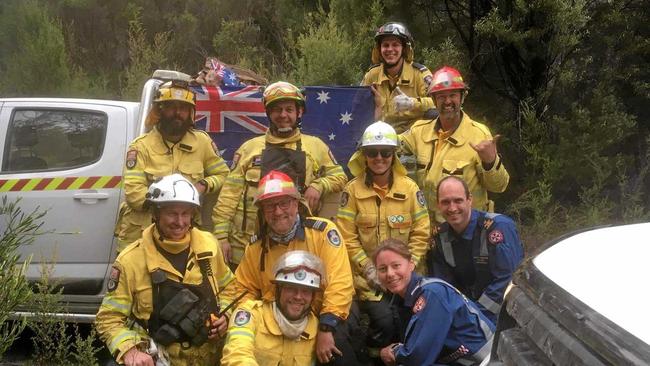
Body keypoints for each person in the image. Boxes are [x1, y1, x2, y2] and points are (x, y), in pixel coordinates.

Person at [96, 174, 237, 366]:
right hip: (160, 359)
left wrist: (226, 317)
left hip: (210, 358)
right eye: (172, 213)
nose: (180, 222)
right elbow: (109, 318)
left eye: (185, 213)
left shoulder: (209, 245)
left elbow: (231, 288)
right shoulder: (130, 261)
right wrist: (130, 350)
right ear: (155, 213)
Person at [212, 81, 347, 267]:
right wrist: (220, 237)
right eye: (277, 109)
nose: (283, 115)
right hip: (246, 246)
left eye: (289, 109)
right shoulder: (249, 149)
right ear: (268, 113)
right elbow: (228, 196)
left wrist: (319, 185)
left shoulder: (316, 146)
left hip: (299, 246)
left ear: (299, 112)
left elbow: (340, 176)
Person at [235, 170, 363, 365]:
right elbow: (244, 291)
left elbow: (340, 283)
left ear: (296, 203)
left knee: (338, 354)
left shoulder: (323, 233)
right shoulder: (255, 248)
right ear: (262, 211)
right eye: (270, 206)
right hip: (279, 317)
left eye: (284, 203)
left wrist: (326, 328)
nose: (278, 212)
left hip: (327, 313)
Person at [336, 121, 429, 357]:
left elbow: (421, 233)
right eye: (372, 152)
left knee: (414, 322)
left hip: (407, 279)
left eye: (385, 152)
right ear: (364, 156)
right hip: (368, 283)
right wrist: (369, 269)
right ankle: (374, 357)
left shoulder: (410, 189)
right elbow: (346, 237)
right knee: (386, 321)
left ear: (393, 155)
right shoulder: (352, 191)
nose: (379, 158)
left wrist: (408, 268)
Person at [117, 80, 229, 252]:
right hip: (141, 239)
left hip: (184, 236)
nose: (178, 113)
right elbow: (134, 193)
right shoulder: (140, 147)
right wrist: (170, 208)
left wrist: (203, 185)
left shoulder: (202, 142)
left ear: (190, 113)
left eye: (183, 108)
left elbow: (224, 175)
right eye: (171, 107)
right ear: (159, 110)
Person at [400, 66, 510, 224]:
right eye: (441, 97)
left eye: (452, 95)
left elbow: (499, 187)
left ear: (462, 97)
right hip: (430, 232)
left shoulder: (479, 134)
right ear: (434, 100)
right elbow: (388, 145)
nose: (447, 101)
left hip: (468, 231)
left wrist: (490, 162)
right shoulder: (419, 132)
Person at [373, 239, 494, 366]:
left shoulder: (432, 293)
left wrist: (393, 351)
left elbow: (417, 357)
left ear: (411, 264)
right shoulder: (402, 301)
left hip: (484, 361)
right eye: (382, 269)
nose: (390, 274)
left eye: (396, 265)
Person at [428, 176, 524, 323]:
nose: (452, 208)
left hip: (504, 313)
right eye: (445, 202)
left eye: (458, 200)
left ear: (469, 200)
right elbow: (444, 286)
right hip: (466, 314)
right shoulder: (440, 237)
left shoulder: (497, 227)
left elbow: (508, 279)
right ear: (438, 205)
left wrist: (476, 315)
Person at [221, 250, 325, 365]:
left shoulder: (316, 327)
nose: (298, 297)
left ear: (313, 296)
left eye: (306, 291)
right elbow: (236, 355)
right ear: (278, 290)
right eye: (291, 288)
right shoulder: (250, 315)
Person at [361, 22, 436, 134]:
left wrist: (412, 103)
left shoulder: (420, 74)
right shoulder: (372, 75)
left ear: (404, 49)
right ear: (379, 50)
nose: (390, 49)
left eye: (395, 45)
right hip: (381, 138)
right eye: (385, 45)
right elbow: (357, 105)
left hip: (413, 137)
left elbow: (438, 102)